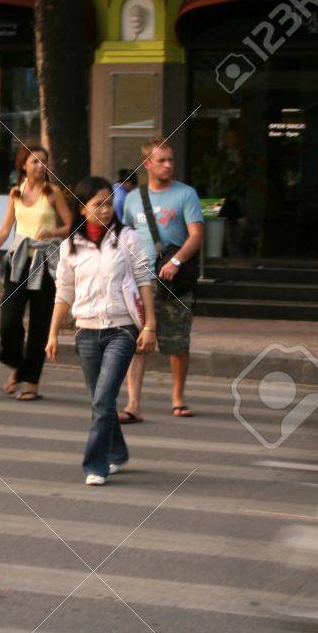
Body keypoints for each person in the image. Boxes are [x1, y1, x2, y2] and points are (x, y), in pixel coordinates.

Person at [47, 176, 157, 485]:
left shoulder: (128, 238)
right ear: (82, 209)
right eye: (98, 204)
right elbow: (63, 293)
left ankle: (96, 465)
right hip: (86, 332)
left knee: (103, 399)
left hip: (121, 330)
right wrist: (53, 333)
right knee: (102, 401)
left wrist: (149, 325)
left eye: (109, 203)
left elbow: (144, 282)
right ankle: (118, 452)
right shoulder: (70, 247)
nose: (105, 210)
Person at [119, 136, 205, 421]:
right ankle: (133, 404)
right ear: (147, 164)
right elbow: (125, 236)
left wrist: (177, 261)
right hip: (140, 278)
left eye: (171, 160)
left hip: (175, 279)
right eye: (162, 161)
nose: (169, 165)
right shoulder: (133, 198)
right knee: (137, 339)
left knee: (177, 342)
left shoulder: (186, 194)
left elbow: (196, 235)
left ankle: (178, 397)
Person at [0, 145, 74, 401]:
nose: (40, 166)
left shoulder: (52, 192)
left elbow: (69, 226)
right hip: (19, 260)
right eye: (35, 162)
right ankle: (18, 366)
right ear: (23, 165)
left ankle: (30, 381)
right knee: (9, 321)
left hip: (46, 262)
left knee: (39, 325)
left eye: (44, 162)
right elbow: (4, 229)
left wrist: (53, 232)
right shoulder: (15, 193)